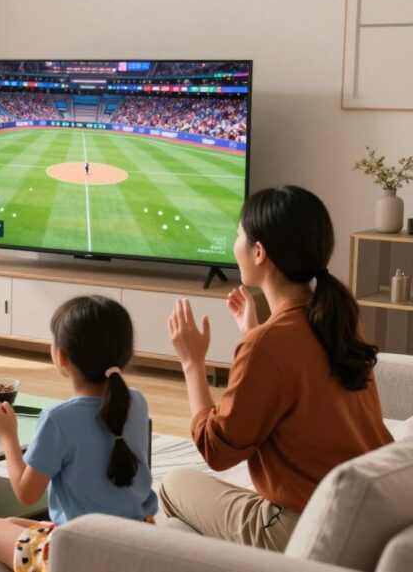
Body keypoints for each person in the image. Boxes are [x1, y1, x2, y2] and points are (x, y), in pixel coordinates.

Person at [163, 185, 394, 552]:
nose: (234, 243)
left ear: (259, 252)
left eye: (238, 235)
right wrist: (255, 331)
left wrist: (192, 363)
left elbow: (216, 450)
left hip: (303, 527)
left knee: (172, 485)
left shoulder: (267, 345)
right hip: (365, 514)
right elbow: (303, 384)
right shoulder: (341, 318)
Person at [0, 296, 156, 572]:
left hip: (79, 554)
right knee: (11, 523)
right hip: (137, 542)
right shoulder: (137, 402)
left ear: (61, 355)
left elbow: (26, 493)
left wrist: (8, 436)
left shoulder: (58, 419)